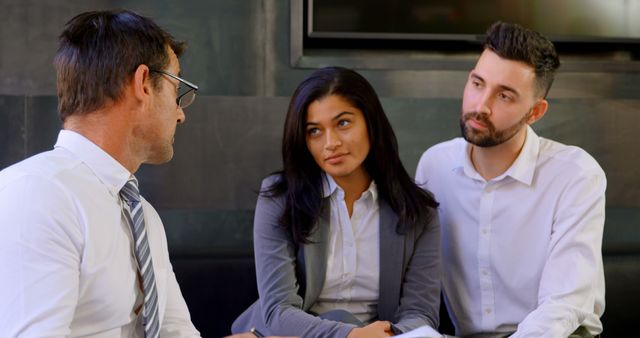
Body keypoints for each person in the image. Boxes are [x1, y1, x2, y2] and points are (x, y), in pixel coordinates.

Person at [0, 9, 286, 338]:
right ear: (143, 85)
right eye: (176, 90)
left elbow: (175, 332)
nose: (180, 114)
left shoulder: (142, 215)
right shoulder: (36, 195)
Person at [416, 22, 606, 338]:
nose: (480, 106)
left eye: (504, 95)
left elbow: (564, 304)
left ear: (535, 112)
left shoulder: (576, 174)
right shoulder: (434, 166)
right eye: (477, 83)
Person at [232, 66, 441, 338]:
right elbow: (279, 310)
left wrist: (383, 336)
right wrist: (351, 335)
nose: (330, 143)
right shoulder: (280, 198)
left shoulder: (418, 211)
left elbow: (421, 314)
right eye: (314, 131)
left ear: (370, 122)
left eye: (343, 123)